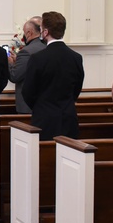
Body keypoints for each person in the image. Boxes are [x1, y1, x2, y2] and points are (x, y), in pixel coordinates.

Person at [22, 11, 85, 141]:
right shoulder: (76, 58)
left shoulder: (37, 58)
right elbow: (77, 88)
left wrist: (40, 106)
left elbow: (27, 91)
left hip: (44, 118)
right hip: (68, 117)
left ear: (45, 32)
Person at [7, 18, 46, 113]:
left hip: (27, 106)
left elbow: (15, 76)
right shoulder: (46, 47)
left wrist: (10, 63)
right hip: (43, 103)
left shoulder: (26, 52)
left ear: (29, 33)